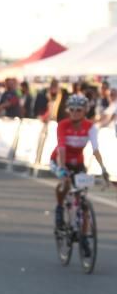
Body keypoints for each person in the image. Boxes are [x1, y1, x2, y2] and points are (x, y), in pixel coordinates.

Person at [50, 94, 110, 231]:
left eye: (79, 110)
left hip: (78, 162)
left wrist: (103, 169)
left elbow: (95, 150)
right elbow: (61, 148)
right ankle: (60, 207)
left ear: (85, 110)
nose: (75, 113)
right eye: (72, 109)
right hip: (59, 159)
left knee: (82, 198)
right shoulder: (63, 125)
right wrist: (63, 168)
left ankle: (84, 237)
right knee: (65, 183)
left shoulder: (90, 127)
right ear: (68, 110)